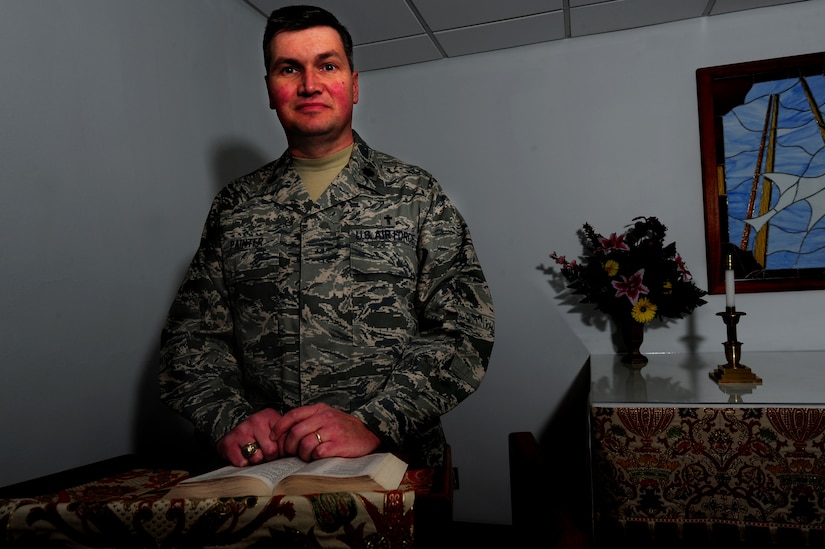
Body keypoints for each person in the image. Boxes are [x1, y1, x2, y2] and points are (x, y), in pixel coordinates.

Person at [159, 4, 494, 471]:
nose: (310, 84)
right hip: (265, 472)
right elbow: (191, 338)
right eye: (289, 68)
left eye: (328, 65)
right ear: (270, 90)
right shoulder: (234, 206)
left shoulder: (415, 195)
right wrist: (227, 417)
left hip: (391, 465)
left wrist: (374, 422)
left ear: (354, 86)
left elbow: (463, 329)